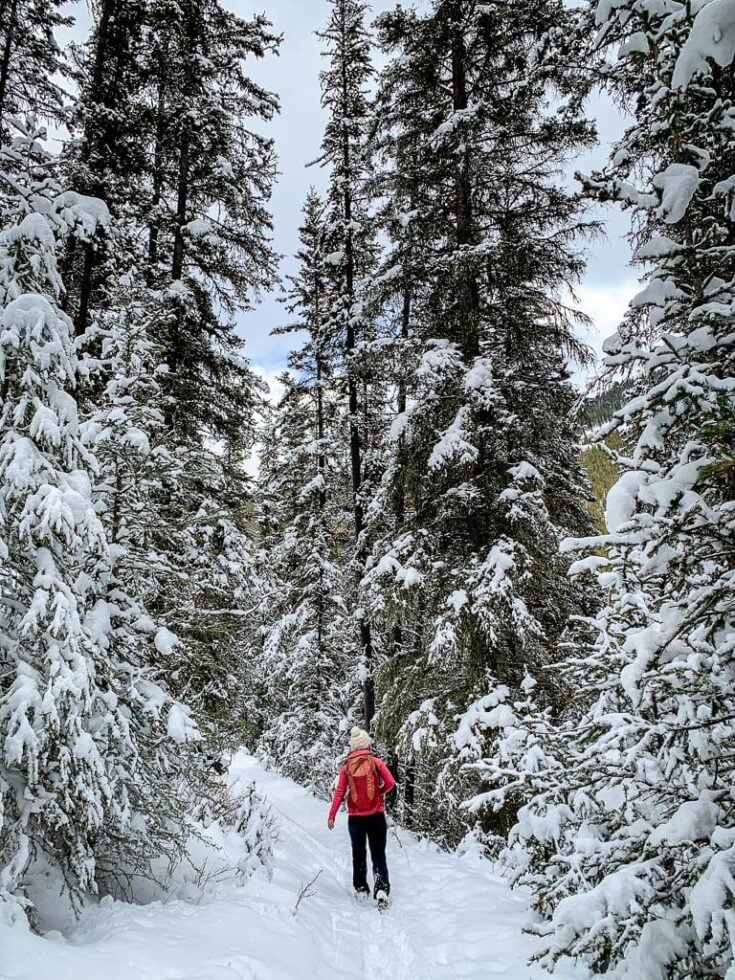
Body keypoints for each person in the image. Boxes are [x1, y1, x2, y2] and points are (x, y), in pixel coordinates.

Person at [327, 727, 396, 903]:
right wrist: (380, 793)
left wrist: (332, 815)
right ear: (366, 744)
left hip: (356, 818)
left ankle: (361, 888)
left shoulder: (346, 767)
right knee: (378, 853)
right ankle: (381, 889)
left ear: (352, 746)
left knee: (358, 853)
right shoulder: (375, 762)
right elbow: (390, 782)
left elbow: (340, 791)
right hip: (376, 816)